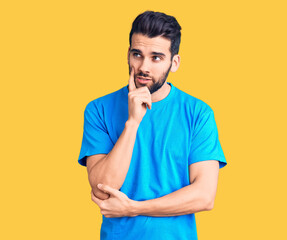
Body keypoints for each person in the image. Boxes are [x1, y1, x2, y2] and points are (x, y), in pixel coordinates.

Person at [77, 10, 227, 240]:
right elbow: (102, 189)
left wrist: (133, 208)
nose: (143, 67)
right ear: (128, 54)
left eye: (156, 57)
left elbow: (204, 196)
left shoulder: (198, 113)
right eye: (137, 54)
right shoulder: (99, 109)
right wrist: (133, 122)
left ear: (174, 62)